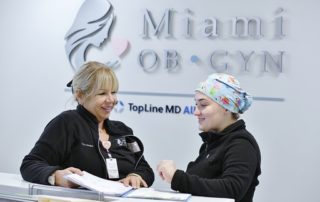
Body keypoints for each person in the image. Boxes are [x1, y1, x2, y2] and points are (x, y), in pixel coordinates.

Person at [20, 61, 154, 189]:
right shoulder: (67, 123)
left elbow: (145, 169)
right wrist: (56, 176)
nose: (111, 100)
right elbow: (30, 164)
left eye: (113, 92)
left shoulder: (123, 131)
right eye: (102, 93)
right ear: (80, 95)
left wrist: (136, 176)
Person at [157, 73, 261, 202]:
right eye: (196, 105)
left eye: (204, 105)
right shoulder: (213, 142)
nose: (196, 112)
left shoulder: (241, 144)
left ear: (226, 107)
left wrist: (177, 178)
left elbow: (232, 189)